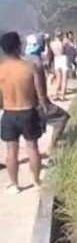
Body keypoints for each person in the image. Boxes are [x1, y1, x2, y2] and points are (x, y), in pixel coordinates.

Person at [0, 31, 52, 193]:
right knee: (32, 148)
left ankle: (14, 184)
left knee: (11, 150)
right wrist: (46, 107)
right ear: (18, 47)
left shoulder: (1, 70)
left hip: (9, 113)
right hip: (28, 111)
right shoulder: (31, 68)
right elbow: (42, 96)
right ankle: (36, 182)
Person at [24, 34, 70, 160]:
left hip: (22, 102)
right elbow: (39, 86)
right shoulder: (36, 61)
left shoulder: (22, 59)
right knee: (62, 117)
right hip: (36, 102)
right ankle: (51, 147)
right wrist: (45, 103)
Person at [49, 29, 68, 101]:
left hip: (56, 59)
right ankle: (62, 95)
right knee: (64, 78)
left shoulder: (51, 43)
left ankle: (56, 94)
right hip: (63, 58)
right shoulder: (62, 43)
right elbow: (64, 50)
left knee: (58, 78)